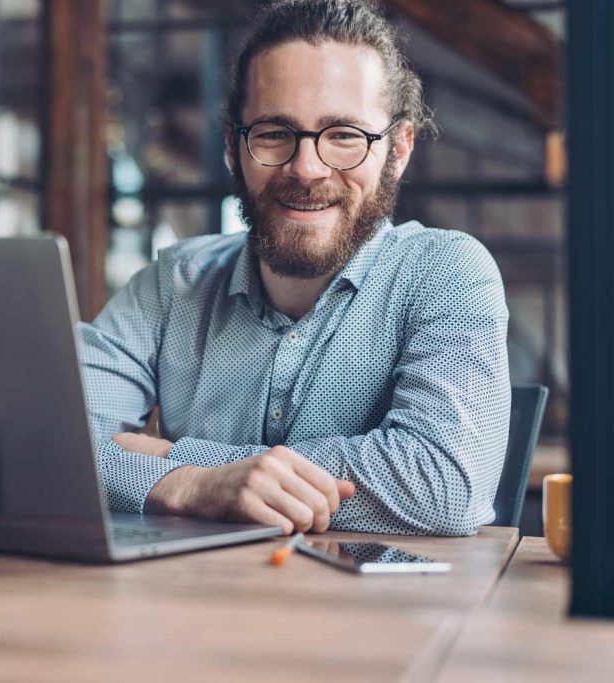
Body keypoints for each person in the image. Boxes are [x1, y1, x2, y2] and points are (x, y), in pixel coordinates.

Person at [78, 0, 511, 536]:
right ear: (234, 148)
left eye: (345, 135)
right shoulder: (172, 284)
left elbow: (443, 486)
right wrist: (188, 486)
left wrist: (183, 465)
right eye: (274, 133)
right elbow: (46, 444)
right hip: (193, 588)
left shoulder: (448, 273)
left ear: (398, 151)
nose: (307, 169)